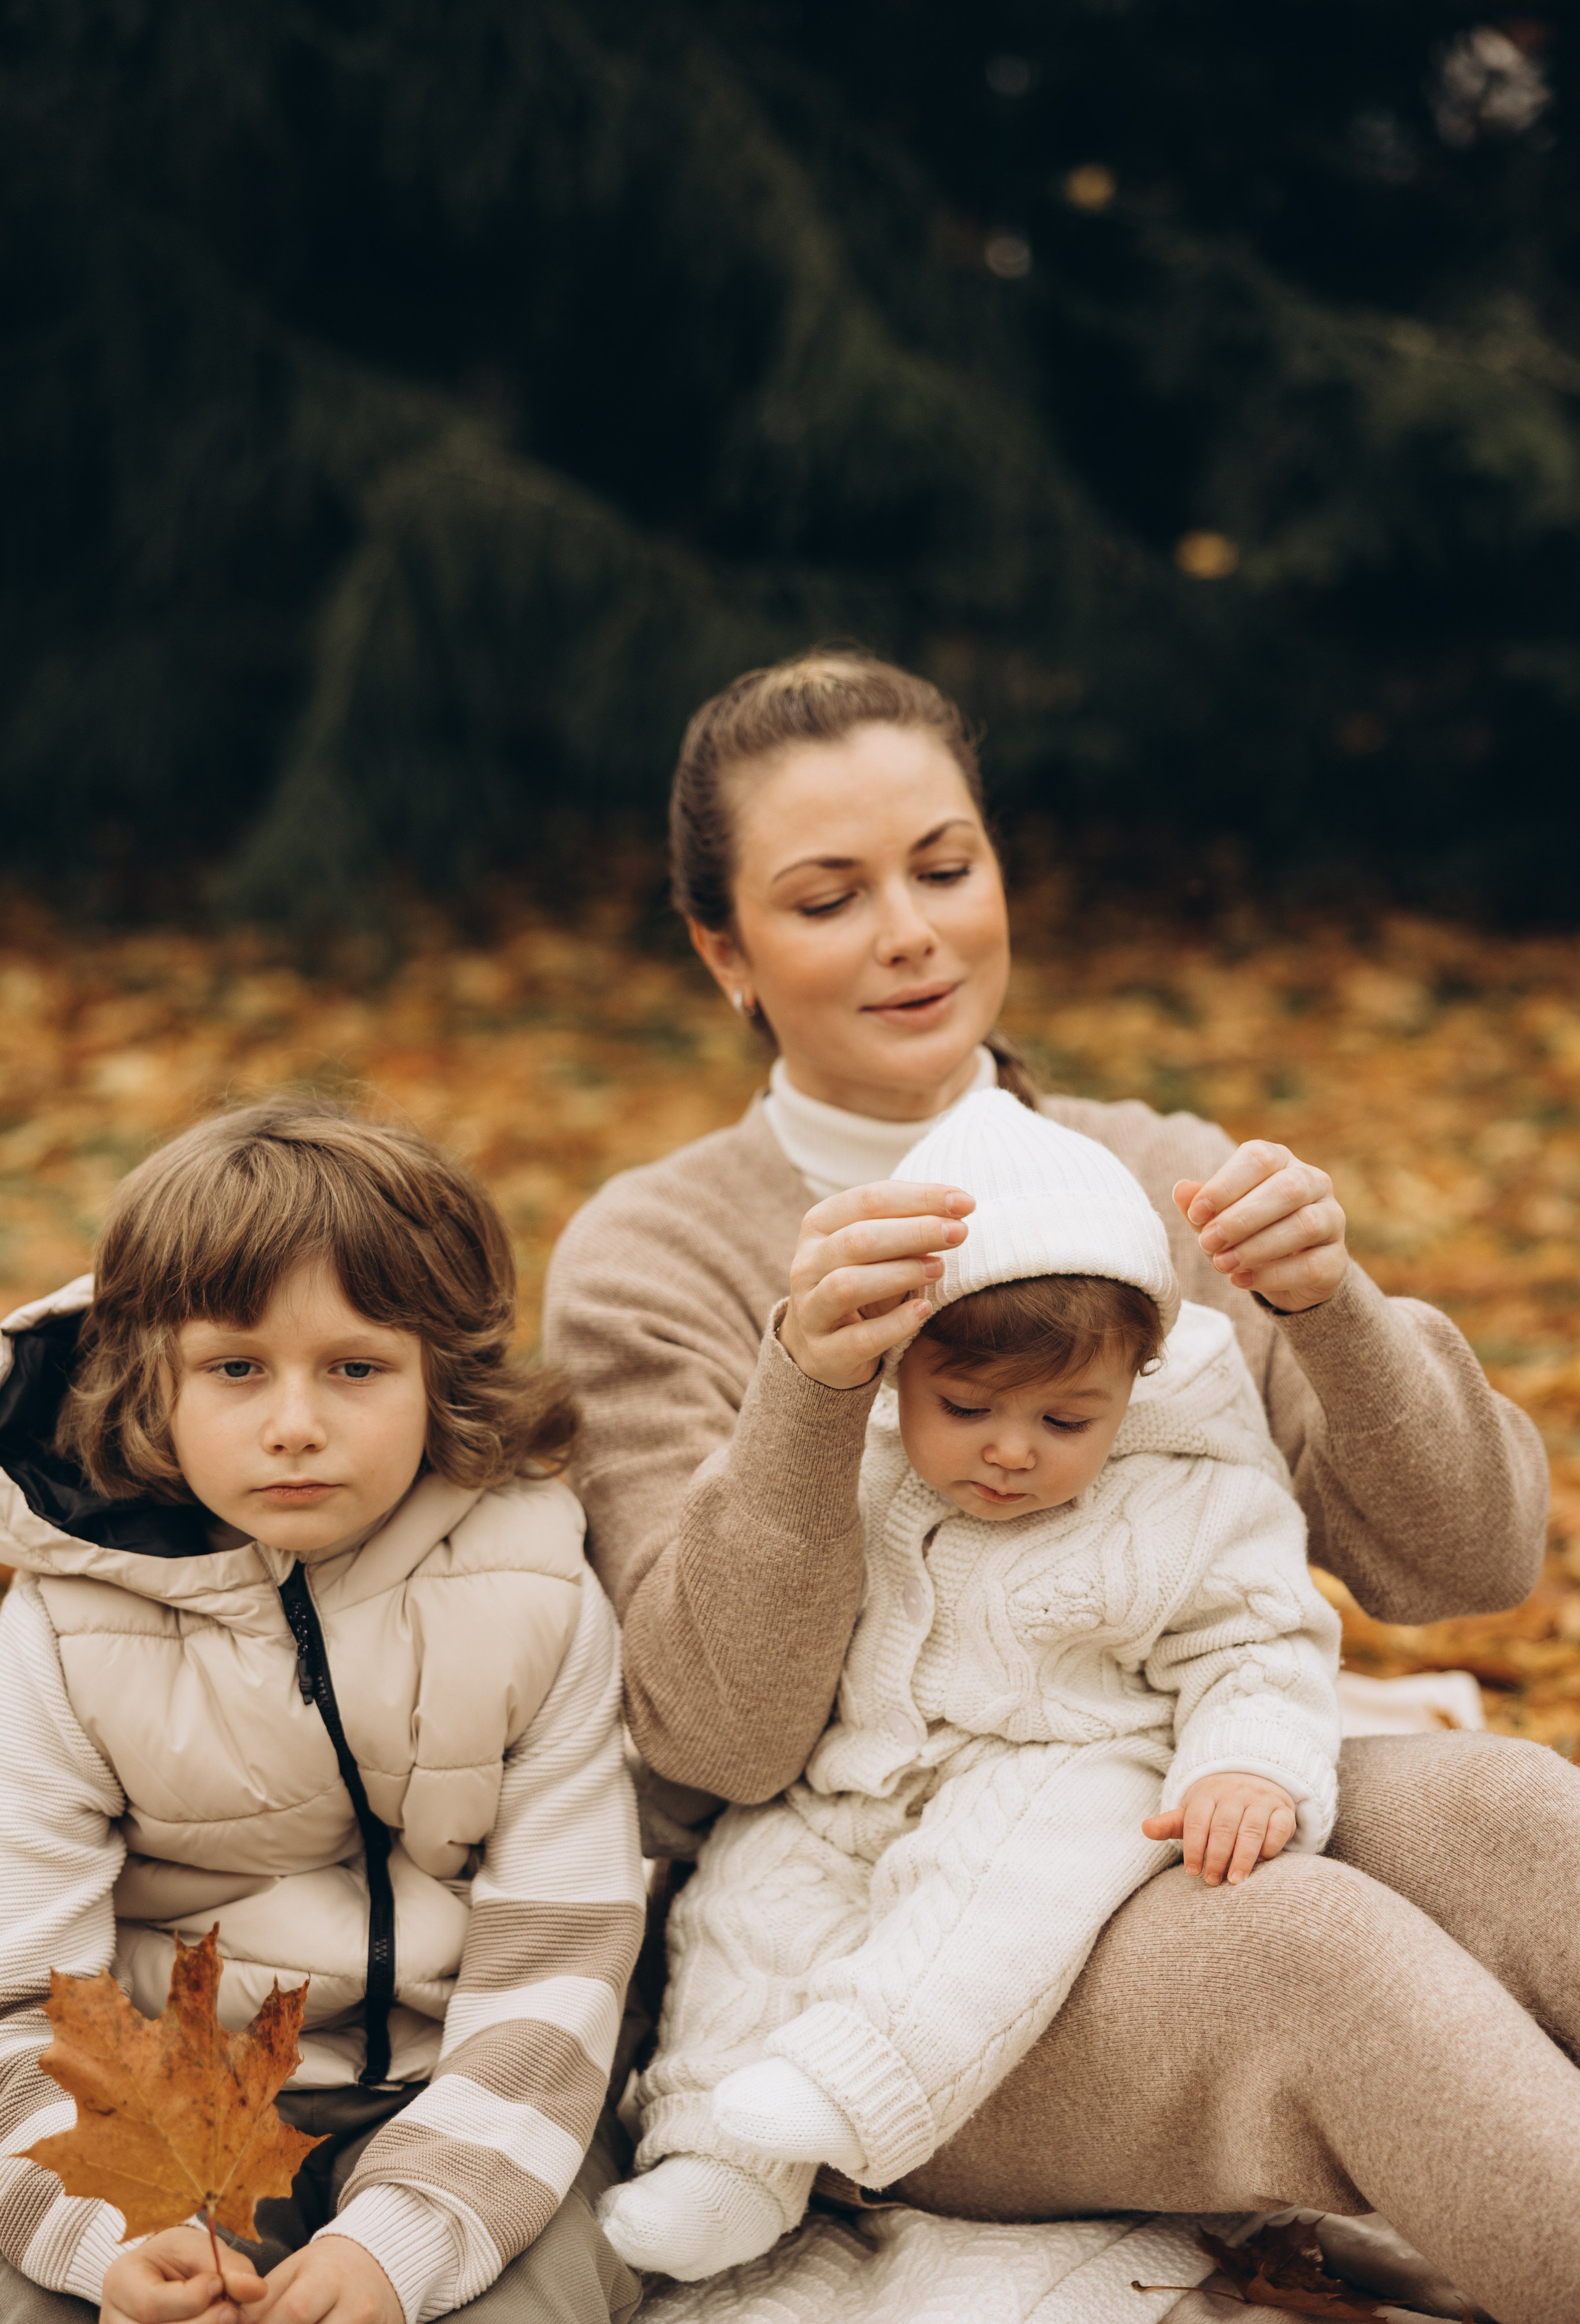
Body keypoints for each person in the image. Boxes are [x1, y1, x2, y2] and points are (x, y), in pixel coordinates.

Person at [544, 651, 1580, 2323]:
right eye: (828, 897)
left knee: (1512, 1813)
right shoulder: (658, 1254)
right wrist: (807, 1391)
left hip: (1168, 1783)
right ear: (723, 953)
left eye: (944, 867)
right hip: (877, 1936)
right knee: (1312, 1954)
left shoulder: (1155, 1176)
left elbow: (1467, 1562)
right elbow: (714, 1738)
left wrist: (1340, 1316)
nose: (910, 932)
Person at [598, 1091, 1344, 2281]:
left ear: (1138, 1382)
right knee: (752, 1901)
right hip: (856, 1781)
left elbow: (1257, 1642)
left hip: (1068, 1765)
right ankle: (720, 2157)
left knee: (993, 1893)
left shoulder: (1191, 1492)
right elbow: (734, 1612)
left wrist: (1249, 1764)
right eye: (965, 1408)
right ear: (899, 1366)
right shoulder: (848, 1460)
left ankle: (856, 2085)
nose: (1010, 1449)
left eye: (1067, 1418)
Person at [0, 1102, 644, 2324]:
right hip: (159, 2107)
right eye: (236, 1369)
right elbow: (22, 1995)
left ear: (441, 1377)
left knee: (534, 2291)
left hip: (479, 2093)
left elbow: (556, 1965)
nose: (294, 1424)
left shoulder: (540, 1593)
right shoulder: (59, 1631)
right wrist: (115, 2226)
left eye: (355, 1368)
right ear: (152, 1385)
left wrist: (406, 2241)